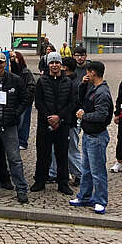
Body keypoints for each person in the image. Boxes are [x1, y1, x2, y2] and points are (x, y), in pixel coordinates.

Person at [0, 53, 31, 203]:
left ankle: (21, 189)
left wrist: (15, 114)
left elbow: (26, 98)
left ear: (6, 64)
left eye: (1, 63)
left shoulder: (15, 80)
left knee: (14, 158)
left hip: (9, 126)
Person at [69, 61, 114, 214]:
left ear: (93, 73)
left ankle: (100, 200)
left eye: (88, 72)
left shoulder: (102, 93)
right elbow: (82, 100)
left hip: (97, 136)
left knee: (97, 171)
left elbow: (101, 115)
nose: (86, 74)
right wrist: (82, 85)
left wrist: (84, 116)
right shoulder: (93, 88)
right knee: (86, 169)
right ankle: (84, 196)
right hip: (89, 135)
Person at [31, 52, 74, 195]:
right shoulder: (41, 81)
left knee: (62, 154)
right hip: (45, 123)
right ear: (48, 65)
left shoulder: (68, 82)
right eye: (52, 63)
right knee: (43, 153)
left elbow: (71, 103)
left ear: (61, 65)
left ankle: (62, 183)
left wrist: (59, 117)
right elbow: (38, 102)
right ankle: (40, 180)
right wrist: (49, 117)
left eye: (57, 63)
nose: (54, 65)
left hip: (62, 124)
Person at [50, 57, 82, 186]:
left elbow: (72, 104)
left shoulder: (72, 83)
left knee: (71, 150)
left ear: (64, 68)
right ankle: (54, 172)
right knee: (56, 149)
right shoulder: (73, 81)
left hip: (69, 122)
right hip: (64, 121)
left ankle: (80, 174)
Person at [11, 51, 35, 150]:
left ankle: (22, 141)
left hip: (24, 103)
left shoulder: (26, 72)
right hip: (14, 102)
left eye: (15, 58)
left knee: (24, 123)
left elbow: (31, 87)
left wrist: (26, 98)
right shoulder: (9, 72)